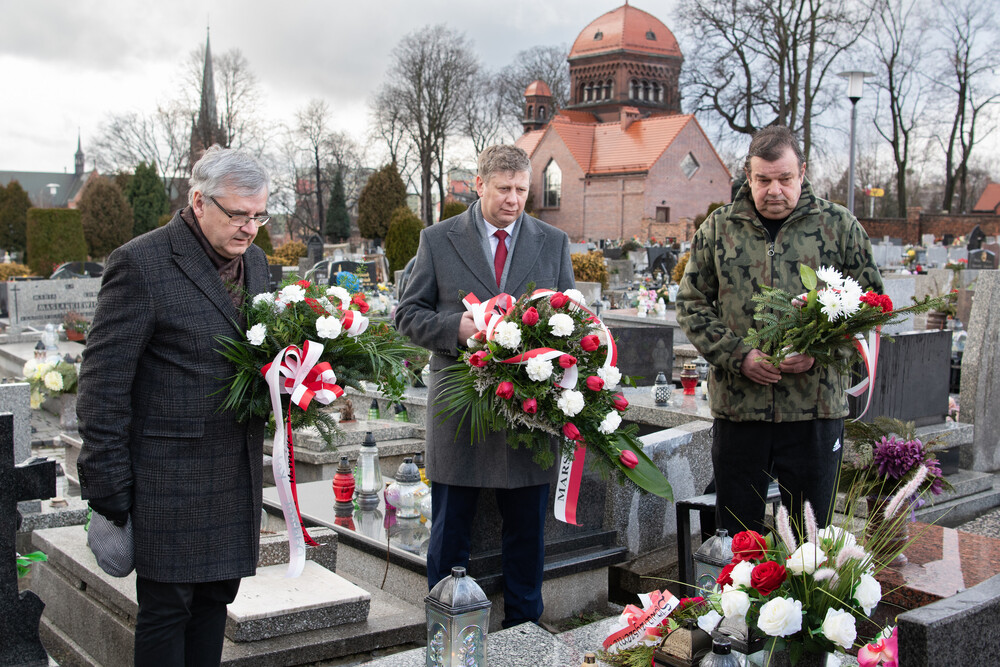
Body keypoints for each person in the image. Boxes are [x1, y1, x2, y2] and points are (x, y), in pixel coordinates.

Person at [76, 145, 271, 666]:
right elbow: (102, 387)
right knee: (168, 614)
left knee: (215, 605)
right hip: (167, 481)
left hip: (234, 474)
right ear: (199, 200)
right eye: (238, 214)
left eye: (259, 215)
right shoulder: (141, 263)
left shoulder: (256, 263)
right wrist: (109, 491)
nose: (250, 228)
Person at [394, 144, 575, 627]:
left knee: (526, 539)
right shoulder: (437, 239)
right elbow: (407, 315)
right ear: (479, 185)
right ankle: (445, 630)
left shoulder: (553, 242)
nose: (514, 200)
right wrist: (461, 330)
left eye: (522, 190)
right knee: (451, 535)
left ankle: (524, 633)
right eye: (503, 189)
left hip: (531, 413)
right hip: (460, 413)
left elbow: (571, 321)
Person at [676, 126, 883, 536]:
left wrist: (821, 351)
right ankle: (734, 601)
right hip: (741, 410)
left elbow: (871, 304)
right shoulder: (719, 228)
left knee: (810, 543)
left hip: (814, 410)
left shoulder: (838, 225)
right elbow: (691, 303)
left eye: (784, 179)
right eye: (763, 180)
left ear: (802, 172)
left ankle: (807, 604)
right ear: (748, 177)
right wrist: (740, 357)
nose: (774, 190)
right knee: (738, 538)